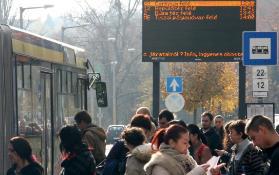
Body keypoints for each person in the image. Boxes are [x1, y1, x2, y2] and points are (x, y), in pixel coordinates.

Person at [145, 124, 224, 175]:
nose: (188, 145)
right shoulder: (161, 163)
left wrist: (211, 172)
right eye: (185, 143)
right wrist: (196, 172)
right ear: (172, 142)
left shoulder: (187, 159)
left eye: (188, 142)